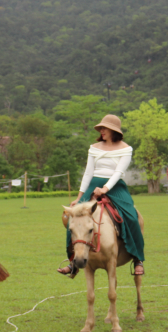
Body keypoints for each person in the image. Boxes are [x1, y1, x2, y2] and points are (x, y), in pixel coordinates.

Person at [57, 115, 145, 277]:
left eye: (104, 128)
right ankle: (73, 262)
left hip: (115, 187)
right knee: (73, 218)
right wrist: (79, 196)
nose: (101, 131)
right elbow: (88, 172)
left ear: (113, 130)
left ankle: (138, 259)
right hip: (92, 186)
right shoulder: (94, 147)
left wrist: (105, 188)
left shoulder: (126, 149)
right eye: (101, 129)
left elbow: (119, 172)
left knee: (132, 216)